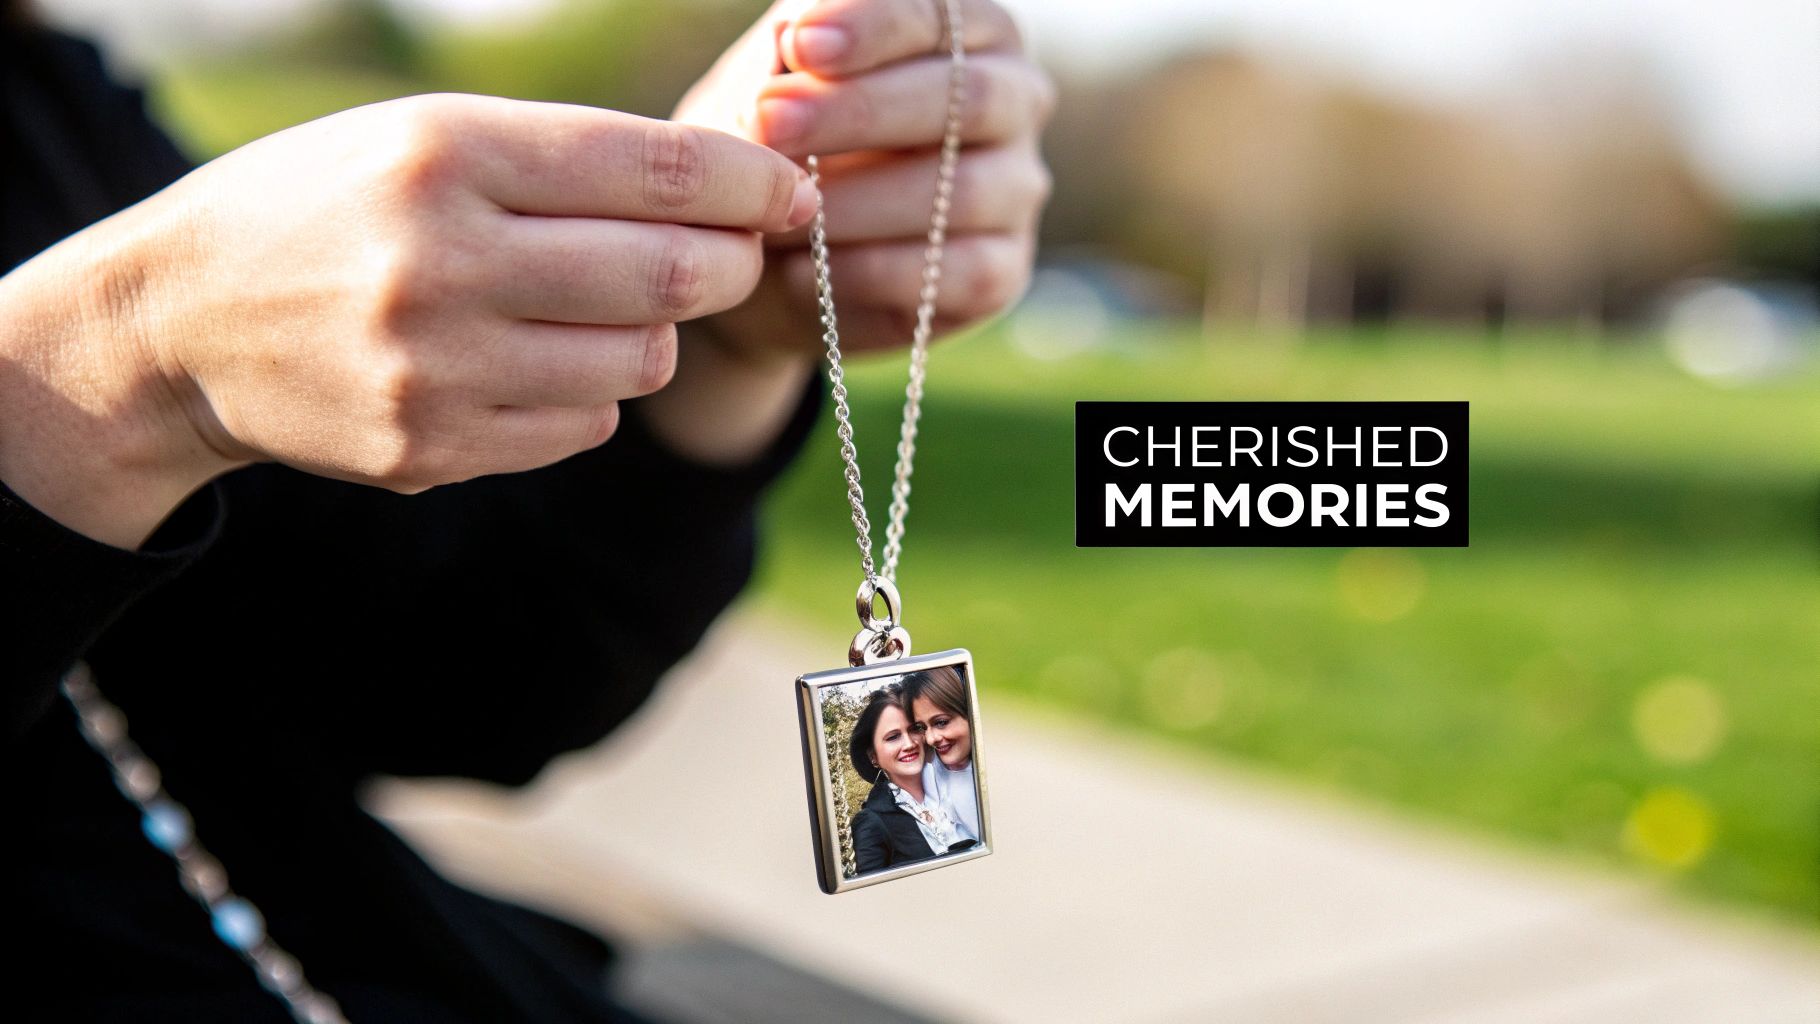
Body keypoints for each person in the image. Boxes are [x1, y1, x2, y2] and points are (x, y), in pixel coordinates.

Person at [1, 0, 1052, 1018]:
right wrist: (115, 370)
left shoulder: (42, 100)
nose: (915, 747)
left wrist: (711, 323)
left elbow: (453, 677)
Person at [846, 685, 973, 875]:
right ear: (873, 756)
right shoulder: (872, 822)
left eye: (915, 729)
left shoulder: (957, 780)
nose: (909, 744)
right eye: (893, 737)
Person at [906, 665, 982, 842]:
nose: (931, 739)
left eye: (941, 722)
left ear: (970, 713)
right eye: (921, 727)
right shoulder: (925, 774)